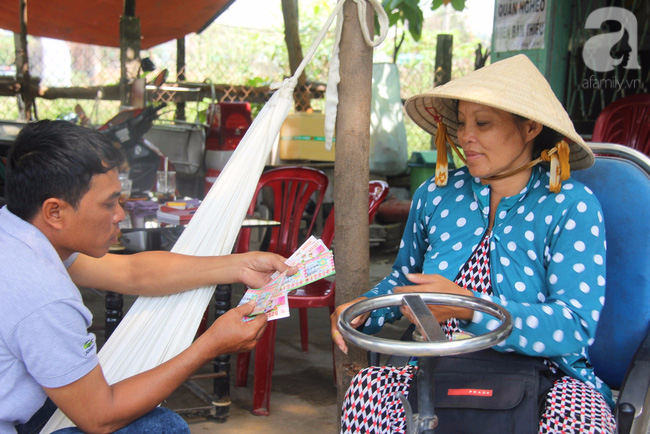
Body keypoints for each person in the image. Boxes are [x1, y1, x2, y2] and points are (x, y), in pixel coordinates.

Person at [330, 55, 616, 433]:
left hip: (543, 374)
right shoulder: (436, 195)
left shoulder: (570, 206)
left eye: (483, 124)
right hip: (437, 367)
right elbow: (404, 282)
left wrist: (469, 309)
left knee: (582, 423)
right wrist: (367, 308)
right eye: (462, 123)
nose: (466, 136)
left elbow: (573, 325)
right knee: (368, 391)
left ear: (530, 128)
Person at [0, 120, 296, 434]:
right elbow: (101, 417)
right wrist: (209, 345)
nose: (119, 215)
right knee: (162, 427)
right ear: (54, 212)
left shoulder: (18, 233)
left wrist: (239, 265)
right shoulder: (45, 296)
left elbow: (131, 272)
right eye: (108, 203)